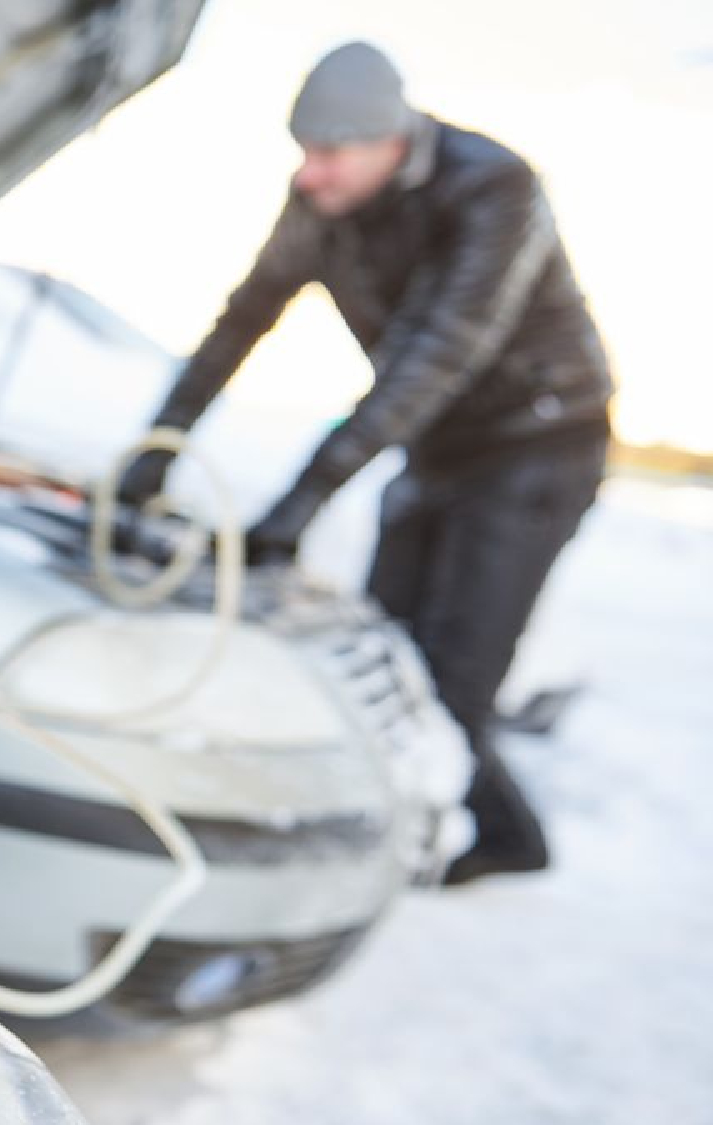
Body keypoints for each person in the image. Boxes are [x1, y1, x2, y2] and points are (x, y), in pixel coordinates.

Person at [117, 42, 613, 885]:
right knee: (382, 653)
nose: (309, 176)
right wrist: (154, 452)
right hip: (433, 443)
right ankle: (397, 820)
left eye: (329, 154)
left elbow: (436, 353)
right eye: (303, 154)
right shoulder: (322, 202)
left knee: (453, 678)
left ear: (391, 141)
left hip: (536, 444)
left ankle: (503, 840)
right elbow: (242, 322)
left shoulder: (493, 188)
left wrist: (301, 501)